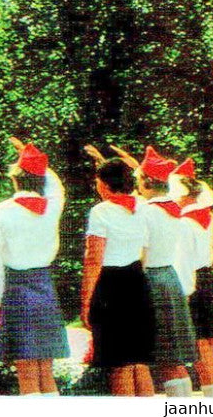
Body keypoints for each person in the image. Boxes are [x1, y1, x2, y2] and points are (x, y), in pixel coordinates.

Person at [0, 136, 69, 395]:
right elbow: (56, 187)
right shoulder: (52, 207)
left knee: (27, 372)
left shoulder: (1, 211)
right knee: (46, 370)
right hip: (45, 286)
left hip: (16, 290)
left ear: (14, 179)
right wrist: (37, 161)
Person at [112, 144, 198, 397]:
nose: (136, 184)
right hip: (170, 276)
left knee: (163, 358)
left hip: (150, 279)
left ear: (147, 182)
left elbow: (140, 252)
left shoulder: (146, 212)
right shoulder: (174, 209)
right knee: (175, 359)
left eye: (139, 179)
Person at [80, 153, 155, 396]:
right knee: (139, 362)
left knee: (118, 363)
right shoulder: (143, 206)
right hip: (137, 280)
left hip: (110, 285)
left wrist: (86, 301)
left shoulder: (100, 211)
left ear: (104, 184)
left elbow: (94, 258)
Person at [172, 158, 213, 399]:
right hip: (209, 281)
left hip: (194, 284)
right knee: (209, 350)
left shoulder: (184, 223)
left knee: (201, 351)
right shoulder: (207, 215)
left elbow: (184, 262)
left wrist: (183, 295)